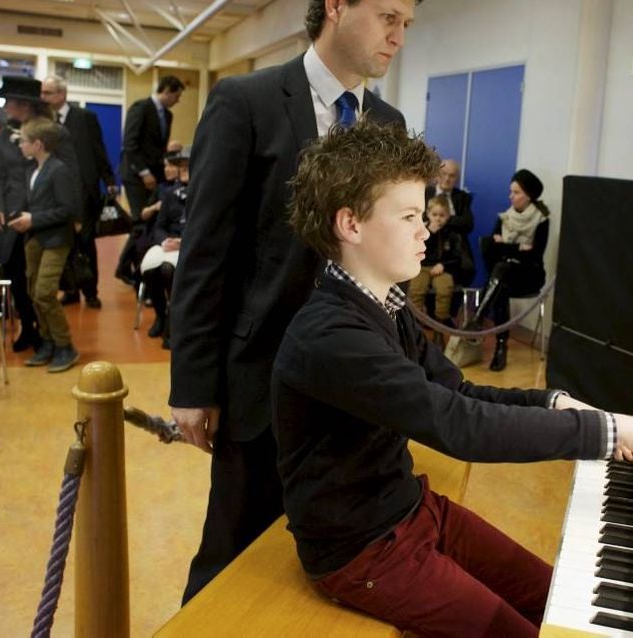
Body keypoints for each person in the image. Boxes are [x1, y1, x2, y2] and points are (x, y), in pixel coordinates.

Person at [273, 119, 633, 638]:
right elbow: (459, 425)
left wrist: (558, 404)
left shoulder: (385, 304)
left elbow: (459, 391)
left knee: (550, 597)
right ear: (350, 225)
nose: (425, 231)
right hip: (360, 551)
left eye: (422, 214)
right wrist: (612, 432)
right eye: (408, 216)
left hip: (411, 509)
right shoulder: (330, 336)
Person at [170, 0, 418, 604]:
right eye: (388, 16)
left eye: (407, 24)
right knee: (231, 550)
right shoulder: (246, 102)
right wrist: (193, 384)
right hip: (259, 376)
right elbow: (206, 251)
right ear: (336, 6)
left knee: (332, 555)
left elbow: (387, 261)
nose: (397, 36)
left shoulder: (387, 123)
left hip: (353, 381)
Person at [0, 75, 81, 353]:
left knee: (42, 284)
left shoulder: (53, 132)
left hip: (43, 216)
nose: (5, 106)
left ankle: (50, 336)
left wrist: (75, 217)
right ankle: (28, 328)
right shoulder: (6, 134)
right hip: (11, 217)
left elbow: (70, 175)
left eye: (9, 101)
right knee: (19, 278)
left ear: (24, 105)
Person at [5, 118, 80, 373]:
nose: (21, 146)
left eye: (23, 141)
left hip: (56, 240)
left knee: (45, 292)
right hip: (35, 239)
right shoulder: (32, 170)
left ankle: (65, 345)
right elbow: (39, 203)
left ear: (37, 144)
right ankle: (47, 341)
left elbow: (68, 209)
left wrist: (33, 219)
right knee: (33, 292)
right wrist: (22, 216)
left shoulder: (59, 170)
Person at [41, 75, 118, 310]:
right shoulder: (43, 121)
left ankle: (90, 291)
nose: (42, 97)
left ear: (61, 95)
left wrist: (109, 179)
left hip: (83, 189)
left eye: (47, 93)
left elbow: (98, 149)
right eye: (42, 93)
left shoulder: (85, 118)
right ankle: (70, 289)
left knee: (85, 241)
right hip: (54, 192)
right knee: (63, 241)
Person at [475, 169, 550, 372]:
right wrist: (518, 248)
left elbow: (534, 256)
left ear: (529, 195)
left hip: (530, 275)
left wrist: (507, 246)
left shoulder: (542, 219)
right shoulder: (505, 217)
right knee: (502, 282)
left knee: (501, 273)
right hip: (504, 276)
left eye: (516, 192)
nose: (511, 196)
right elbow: (490, 250)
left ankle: (477, 320)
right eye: (511, 192)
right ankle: (501, 346)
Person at [116, 75, 184, 286]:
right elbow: (130, 144)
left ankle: (131, 269)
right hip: (137, 174)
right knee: (140, 223)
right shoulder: (141, 108)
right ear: (167, 90)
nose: (178, 100)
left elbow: (155, 146)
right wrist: (145, 173)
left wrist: (168, 153)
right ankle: (133, 272)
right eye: (177, 95)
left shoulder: (168, 116)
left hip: (155, 175)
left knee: (149, 222)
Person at [140, 146, 190, 349]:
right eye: (181, 166)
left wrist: (182, 241)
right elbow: (159, 225)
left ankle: (173, 320)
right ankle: (161, 315)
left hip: (187, 244)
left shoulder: (203, 193)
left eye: (187, 166)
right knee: (150, 270)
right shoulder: (169, 194)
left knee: (167, 270)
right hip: (168, 244)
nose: (183, 170)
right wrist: (164, 241)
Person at [408, 195, 461, 329]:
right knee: (416, 289)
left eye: (442, 215)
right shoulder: (422, 231)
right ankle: (415, 323)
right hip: (421, 267)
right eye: (434, 214)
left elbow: (457, 258)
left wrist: (443, 265)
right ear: (428, 214)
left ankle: (440, 323)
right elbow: (416, 249)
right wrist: (430, 233)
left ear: (448, 215)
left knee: (445, 288)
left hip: (442, 269)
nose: (438, 218)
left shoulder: (452, 234)